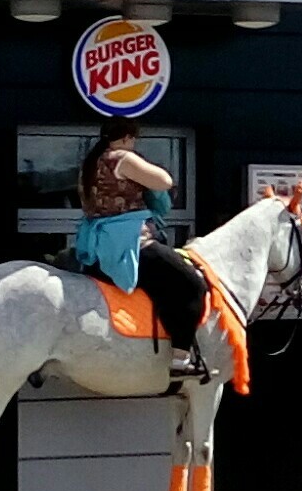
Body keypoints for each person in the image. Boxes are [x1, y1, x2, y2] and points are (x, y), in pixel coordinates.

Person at [75, 118, 207, 378]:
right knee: (192, 283)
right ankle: (181, 359)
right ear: (126, 138)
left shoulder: (90, 163)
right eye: (134, 139)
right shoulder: (122, 158)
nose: (134, 143)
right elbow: (165, 181)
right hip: (131, 242)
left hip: (96, 246)